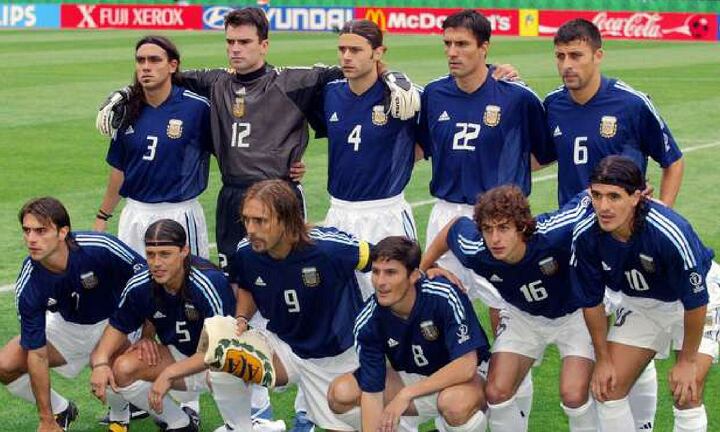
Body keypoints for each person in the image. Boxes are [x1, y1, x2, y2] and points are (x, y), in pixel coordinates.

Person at [417, 9, 555, 420]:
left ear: (484, 48)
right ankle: (454, 415)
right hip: (445, 217)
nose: (452, 52)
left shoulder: (517, 96)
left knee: (510, 329)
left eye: (461, 44)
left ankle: (515, 417)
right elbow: (423, 147)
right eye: (447, 44)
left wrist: (505, 183)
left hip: (500, 226)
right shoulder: (433, 94)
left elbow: (543, 155)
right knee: (438, 318)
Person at [421, 185, 597, 431]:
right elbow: (452, 229)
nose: (494, 239)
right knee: (496, 392)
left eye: (503, 228)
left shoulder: (554, 233)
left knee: (574, 396)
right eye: (487, 229)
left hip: (574, 316)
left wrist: (634, 194)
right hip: (521, 316)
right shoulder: (476, 249)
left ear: (522, 226)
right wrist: (422, 268)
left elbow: (588, 198)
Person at [570, 155, 717, 432]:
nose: (604, 207)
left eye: (614, 196)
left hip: (699, 302)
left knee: (687, 390)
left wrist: (686, 361)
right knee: (607, 388)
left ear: (636, 197)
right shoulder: (586, 235)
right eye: (597, 195)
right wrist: (602, 360)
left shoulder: (670, 232)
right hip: (641, 303)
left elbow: (696, 301)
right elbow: (591, 303)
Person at [220, 179, 369, 432]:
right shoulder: (247, 251)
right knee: (225, 364)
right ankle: (245, 428)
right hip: (285, 347)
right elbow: (247, 285)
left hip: (335, 357)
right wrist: (242, 318)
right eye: (246, 220)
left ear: (286, 220)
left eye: (260, 221)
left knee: (360, 419)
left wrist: (425, 272)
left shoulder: (329, 248)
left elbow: (387, 260)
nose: (250, 229)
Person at [88, 219, 251, 432]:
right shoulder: (140, 285)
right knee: (120, 367)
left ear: (184, 251)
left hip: (216, 360)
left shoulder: (208, 282)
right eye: (150, 254)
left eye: (165, 254)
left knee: (225, 369)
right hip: (178, 355)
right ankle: (179, 424)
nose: (156, 263)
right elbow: (115, 330)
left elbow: (221, 348)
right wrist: (100, 364)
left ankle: (241, 427)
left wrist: (169, 373)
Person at [0, 197, 144, 431]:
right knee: (5, 364)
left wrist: (146, 335)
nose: (31, 239)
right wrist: (45, 418)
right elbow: (37, 354)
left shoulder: (99, 246)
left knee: (117, 366)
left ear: (62, 232)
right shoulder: (29, 283)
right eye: (27, 231)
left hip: (115, 321)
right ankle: (60, 411)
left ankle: (122, 416)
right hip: (68, 326)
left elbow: (146, 280)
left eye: (41, 231)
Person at [327, 236, 491, 432]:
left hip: (464, 380)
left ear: (414, 275)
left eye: (391, 273)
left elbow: (465, 366)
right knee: (342, 393)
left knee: (454, 404)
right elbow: (372, 391)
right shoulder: (368, 320)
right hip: (413, 377)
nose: (380, 282)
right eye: (376, 272)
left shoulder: (443, 294)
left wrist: (407, 394)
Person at [315, 19, 419, 299]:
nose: (346, 57)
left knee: (395, 301)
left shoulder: (402, 96)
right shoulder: (329, 94)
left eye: (356, 50)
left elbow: (429, 145)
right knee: (337, 301)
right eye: (342, 49)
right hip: (338, 213)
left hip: (386, 214)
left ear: (378, 52)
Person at [544, 18, 684, 207]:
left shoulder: (632, 103)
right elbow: (537, 158)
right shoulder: (553, 104)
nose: (567, 64)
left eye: (576, 55)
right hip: (573, 227)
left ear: (598, 55)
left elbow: (673, 162)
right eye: (560, 56)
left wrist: (664, 212)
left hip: (624, 231)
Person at [94, 35, 212, 259]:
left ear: (172, 65)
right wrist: (102, 216)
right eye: (140, 60)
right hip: (134, 214)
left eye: (155, 60)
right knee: (134, 284)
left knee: (185, 287)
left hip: (179, 213)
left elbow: (229, 153)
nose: (146, 67)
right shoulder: (126, 110)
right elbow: (119, 168)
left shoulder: (196, 108)